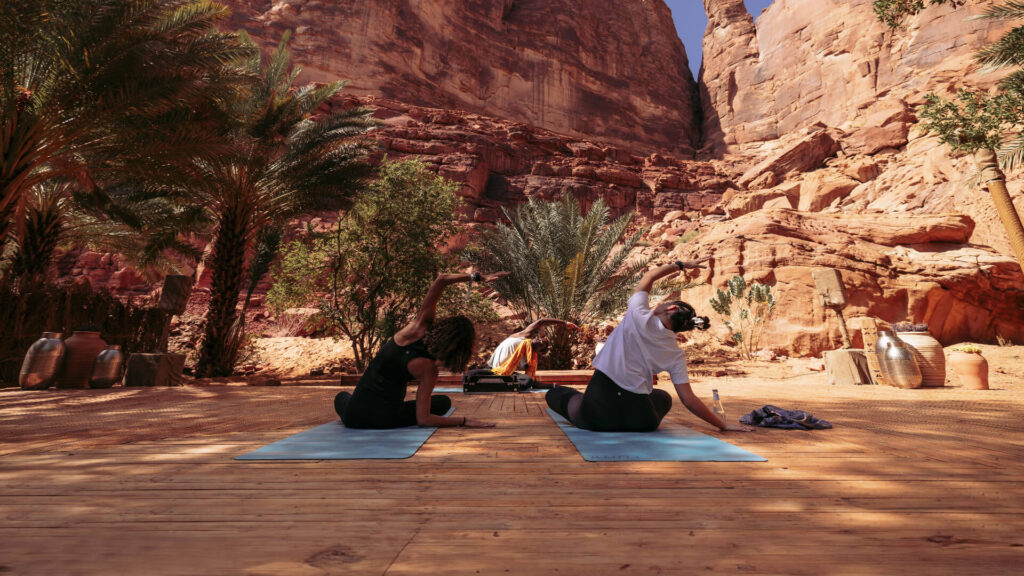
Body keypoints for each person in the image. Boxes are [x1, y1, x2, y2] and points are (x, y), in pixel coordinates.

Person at [545, 257, 753, 433]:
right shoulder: (675, 354)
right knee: (663, 397)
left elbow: (648, 277)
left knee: (555, 395)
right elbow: (689, 400)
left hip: (597, 416)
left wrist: (681, 265)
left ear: (670, 306)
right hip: (641, 421)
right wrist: (722, 425)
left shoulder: (637, 314)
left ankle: (582, 401)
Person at [334, 271, 506, 429]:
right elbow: (424, 420)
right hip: (386, 419)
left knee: (341, 397)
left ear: (444, 327)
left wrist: (475, 277)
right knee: (442, 403)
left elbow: (442, 280)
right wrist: (463, 421)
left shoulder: (418, 328)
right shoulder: (429, 370)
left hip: (353, 417)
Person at [483, 318, 578, 387]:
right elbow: (541, 322)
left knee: (528, 381)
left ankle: (500, 383)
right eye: (540, 339)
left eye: (542, 343)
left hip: (505, 375)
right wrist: (564, 322)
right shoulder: (523, 336)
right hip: (490, 370)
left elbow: (533, 380)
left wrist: (552, 386)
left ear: (538, 351)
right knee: (472, 374)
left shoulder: (530, 359)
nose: (539, 340)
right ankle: (499, 383)